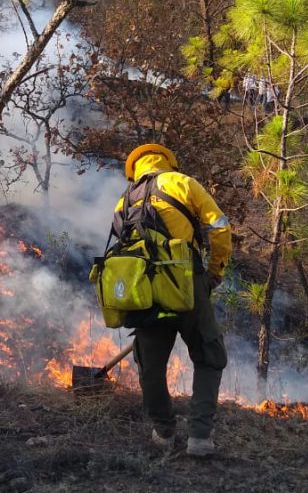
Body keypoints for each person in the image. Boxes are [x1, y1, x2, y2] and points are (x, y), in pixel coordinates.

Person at [115, 143, 232, 457]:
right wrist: (214, 271)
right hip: (187, 283)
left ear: (135, 170)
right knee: (209, 357)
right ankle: (200, 438)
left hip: (146, 292)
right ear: (167, 162)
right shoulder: (183, 183)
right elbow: (220, 227)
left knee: (150, 365)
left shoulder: (124, 200)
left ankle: (164, 432)